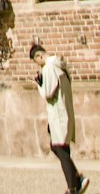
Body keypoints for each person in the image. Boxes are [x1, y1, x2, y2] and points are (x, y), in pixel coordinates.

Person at [31, 43, 88, 194]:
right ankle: (77, 180)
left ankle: (73, 187)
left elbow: (48, 93)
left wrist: (39, 84)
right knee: (58, 147)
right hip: (64, 112)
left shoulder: (49, 68)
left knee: (60, 149)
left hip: (58, 114)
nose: (38, 64)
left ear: (39, 56)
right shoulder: (60, 65)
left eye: (36, 61)